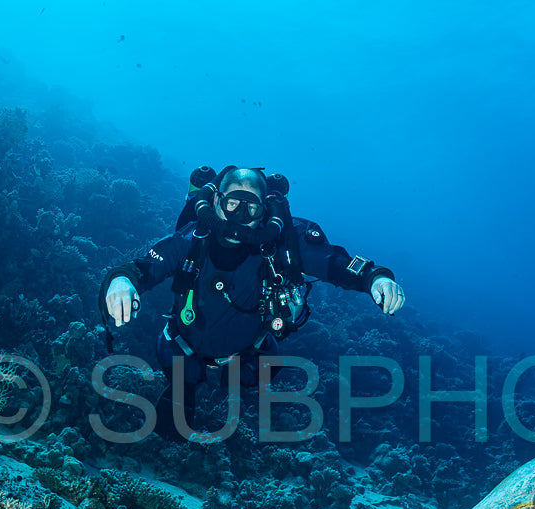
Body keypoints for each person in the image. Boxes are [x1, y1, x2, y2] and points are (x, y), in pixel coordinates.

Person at [100, 165, 406, 442]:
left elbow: (333, 262)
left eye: (251, 207)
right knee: (182, 380)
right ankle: (186, 391)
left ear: (266, 211)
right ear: (215, 202)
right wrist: (123, 281)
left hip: (250, 358)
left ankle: (228, 399)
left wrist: (374, 277)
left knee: (256, 377)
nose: (239, 217)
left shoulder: (281, 243)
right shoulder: (192, 238)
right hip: (181, 348)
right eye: (232, 204)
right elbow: (146, 266)